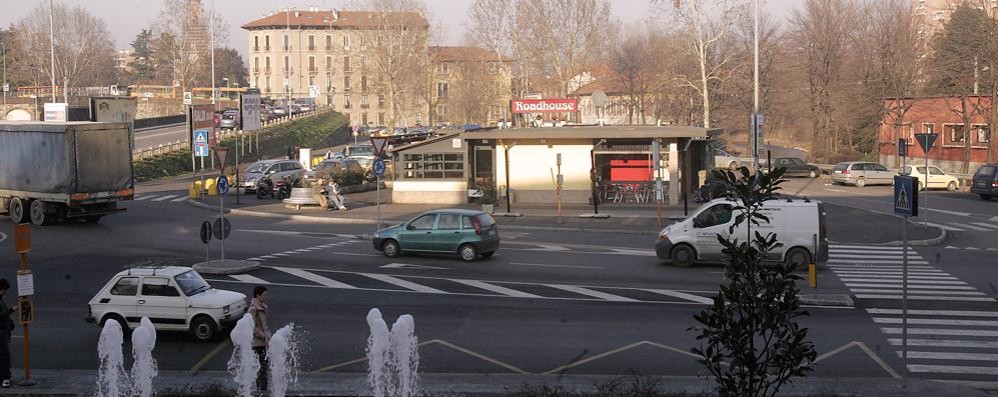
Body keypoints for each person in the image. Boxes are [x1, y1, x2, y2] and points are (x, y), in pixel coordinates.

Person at [249, 285, 270, 391]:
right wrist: (263, 336)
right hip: (258, 343)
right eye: (264, 295)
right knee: (261, 368)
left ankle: (262, 389)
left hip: (262, 342)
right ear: (258, 295)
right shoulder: (253, 309)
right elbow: (251, 326)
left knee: (263, 368)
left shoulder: (261, 306)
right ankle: (261, 390)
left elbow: (263, 325)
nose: (266, 297)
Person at [0, 279, 14, 388]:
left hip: (5, 329)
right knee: (5, 354)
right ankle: (5, 377)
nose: (6, 292)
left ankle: (4, 376)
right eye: (5, 290)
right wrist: (11, 310)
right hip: (1, 331)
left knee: (4, 354)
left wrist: (10, 323)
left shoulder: (1, 299)